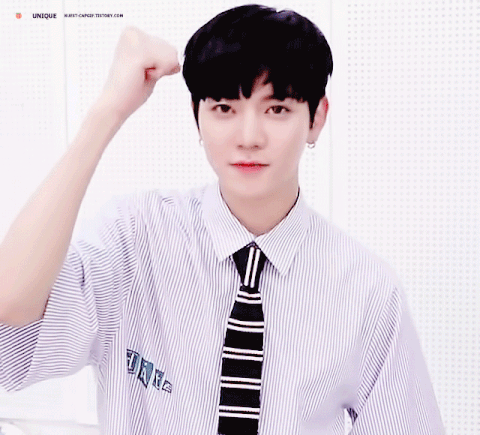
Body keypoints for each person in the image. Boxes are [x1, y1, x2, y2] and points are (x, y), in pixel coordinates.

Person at [0, 4, 444, 435]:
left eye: (277, 109)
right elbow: (10, 308)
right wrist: (107, 112)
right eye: (224, 108)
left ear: (316, 118)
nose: (248, 138)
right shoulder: (134, 239)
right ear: (196, 115)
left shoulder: (365, 289)